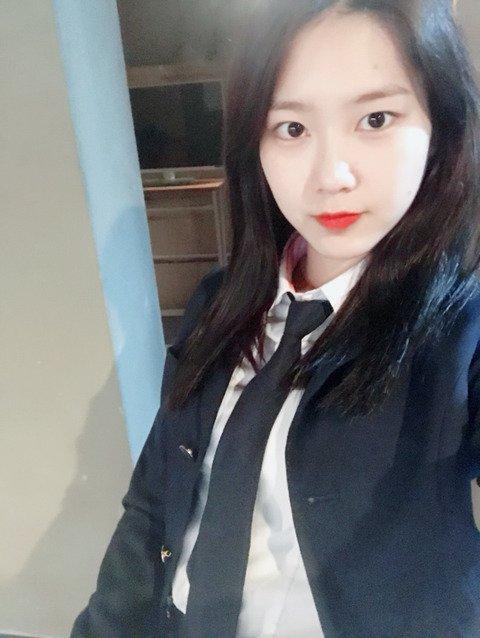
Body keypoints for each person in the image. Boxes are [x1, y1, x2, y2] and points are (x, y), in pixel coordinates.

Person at [71, 0, 480, 636]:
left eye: (375, 119)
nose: (331, 176)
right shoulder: (221, 301)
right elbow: (156, 498)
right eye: (291, 128)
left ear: (442, 127)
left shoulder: (461, 330)